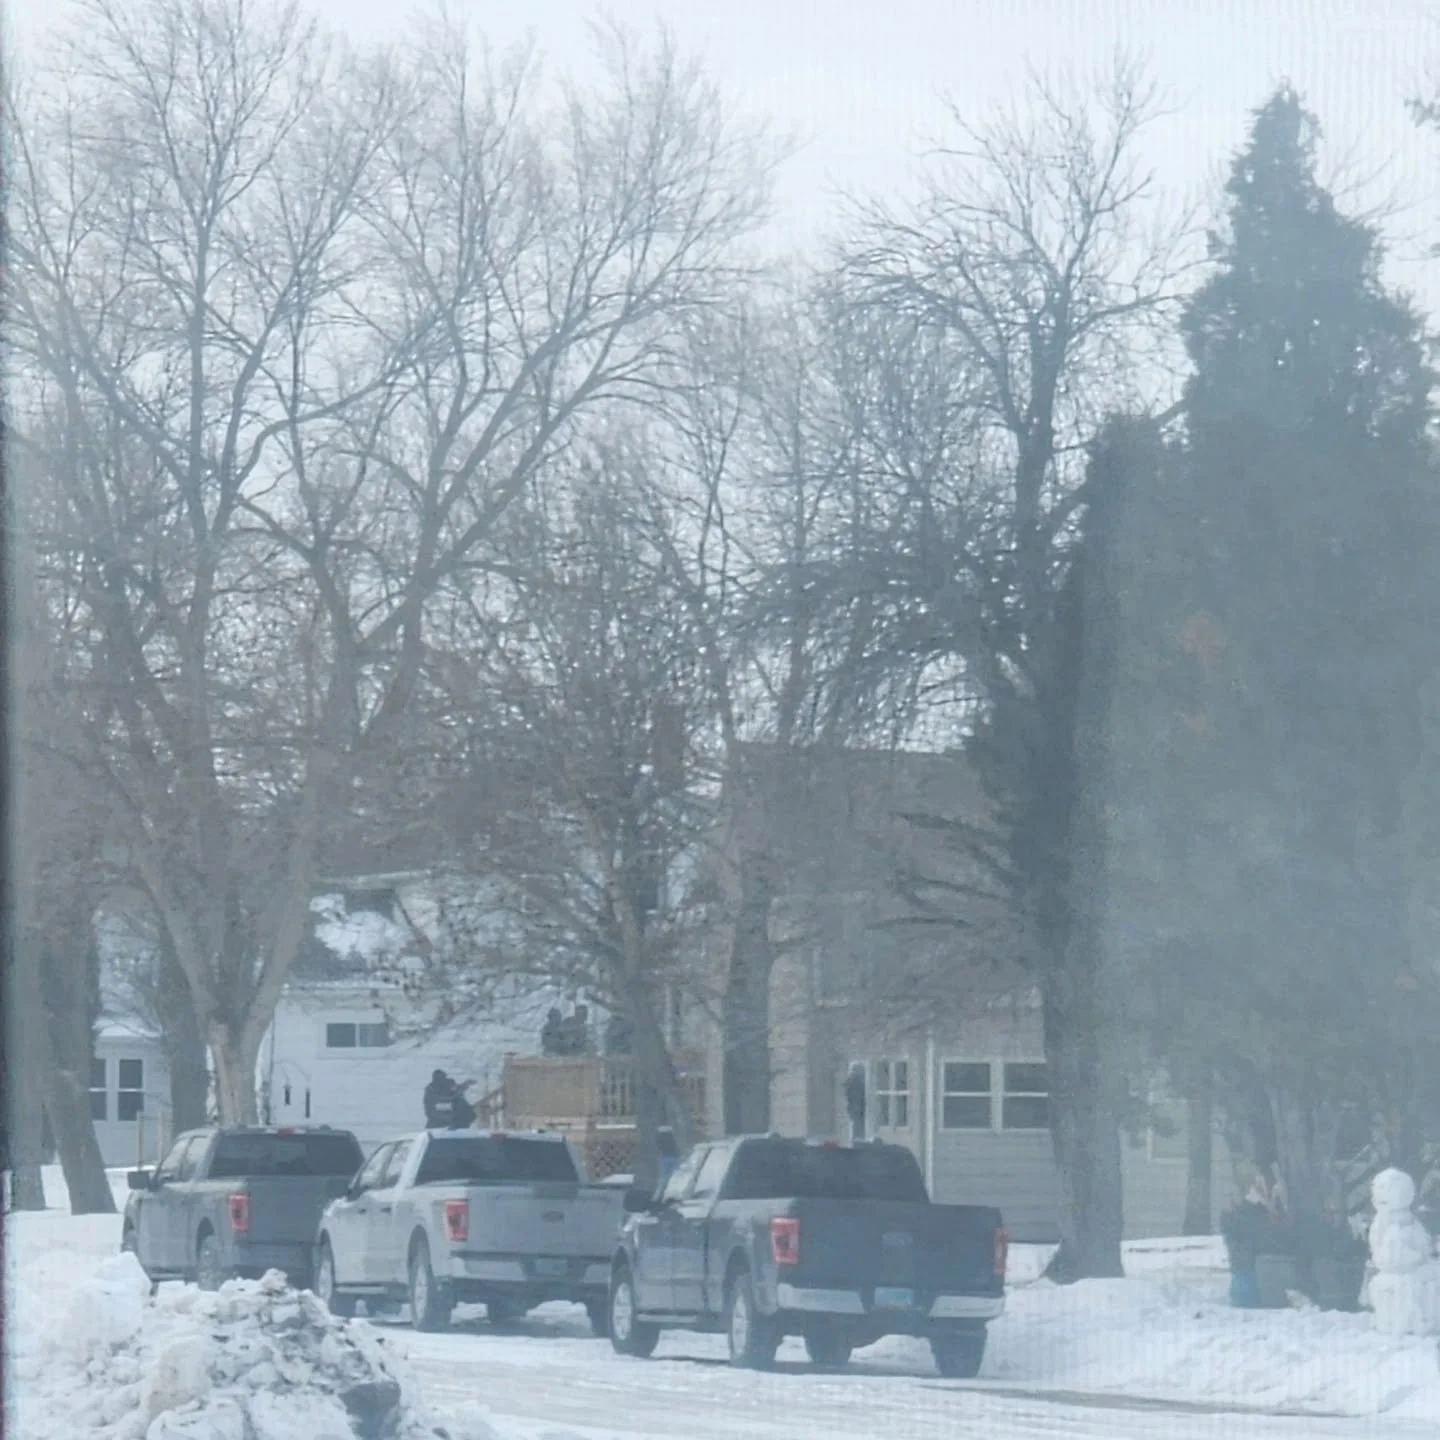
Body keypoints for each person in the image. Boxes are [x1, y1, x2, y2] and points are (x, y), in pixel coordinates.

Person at [844, 1062, 867, 1142]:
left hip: (856, 1105)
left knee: (856, 1122)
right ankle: (857, 1138)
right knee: (857, 1122)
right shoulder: (856, 1079)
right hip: (856, 1105)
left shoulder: (851, 1079)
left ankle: (857, 1138)